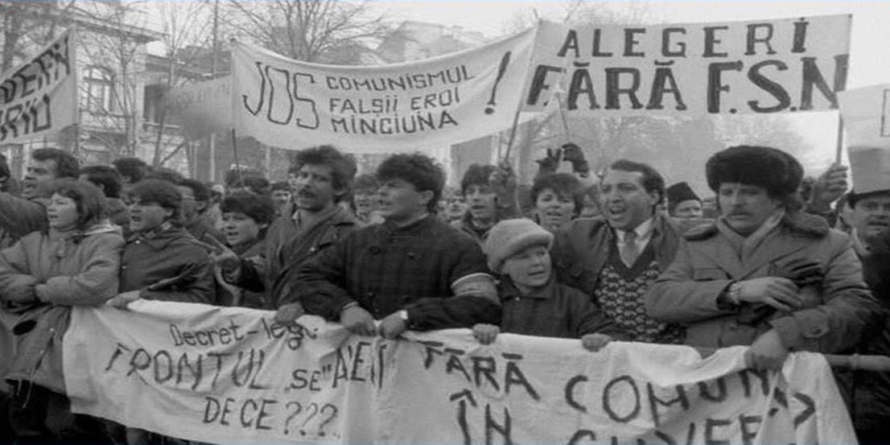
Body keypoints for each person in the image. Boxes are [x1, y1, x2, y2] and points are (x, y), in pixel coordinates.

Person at [645, 145, 882, 370]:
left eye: (749, 193)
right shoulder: (697, 243)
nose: (735, 202)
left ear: (779, 198)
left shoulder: (829, 243)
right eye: (727, 192)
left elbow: (857, 308)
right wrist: (734, 291)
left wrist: (787, 334)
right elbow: (659, 300)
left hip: (789, 382)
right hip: (704, 378)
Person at [294, 153, 501, 338]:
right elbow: (307, 277)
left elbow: (481, 304)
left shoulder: (456, 244)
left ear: (424, 197)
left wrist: (411, 316)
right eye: (382, 185)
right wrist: (344, 307)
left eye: (393, 186)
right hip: (360, 361)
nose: (381, 192)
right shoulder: (359, 240)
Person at [0, 179, 123, 443]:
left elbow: (96, 286)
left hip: (83, 341)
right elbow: (3, 272)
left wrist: (45, 290)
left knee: (72, 424)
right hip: (34, 340)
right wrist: (31, 289)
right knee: (24, 416)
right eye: (51, 202)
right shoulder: (33, 241)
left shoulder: (107, 242)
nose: (51, 207)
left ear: (83, 208)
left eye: (61, 202)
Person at [551, 159, 685, 344]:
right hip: (601, 352)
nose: (613, 197)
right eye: (606, 190)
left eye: (626, 188)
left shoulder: (686, 238)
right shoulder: (576, 236)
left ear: (653, 197)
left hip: (671, 355)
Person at [216, 145, 360, 314]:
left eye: (319, 178)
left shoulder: (351, 233)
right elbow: (269, 273)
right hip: (277, 323)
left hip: (319, 325)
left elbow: (352, 289)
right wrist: (238, 268)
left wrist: (306, 304)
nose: (306, 183)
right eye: (303, 175)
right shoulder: (279, 225)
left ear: (339, 188)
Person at [472, 218, 625, 349]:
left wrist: (603, 339)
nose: (537, 262)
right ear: (503, 267)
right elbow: (461, 336)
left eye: (542, 253)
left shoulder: (571, 301)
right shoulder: (489, 299)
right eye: (523, 257)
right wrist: (475, 332)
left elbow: (614, 335)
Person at [109, 179, 215, 306]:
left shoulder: (190, 250)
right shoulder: (127, 241)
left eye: (144, 204)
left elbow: (199, 299)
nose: (133, 209)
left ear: (168, 211)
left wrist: (143, 296)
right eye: (131, 203)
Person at [1, 148, 79, 242]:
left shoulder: (56, 211)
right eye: (29, 170)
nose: (28, 175)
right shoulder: (24, 197)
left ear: (64, 181)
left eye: (40, 172)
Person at [215, 191, 276, 308]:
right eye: (225, 219)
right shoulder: (221, 254)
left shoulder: (271, 256)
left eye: (239, 219)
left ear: (262, 222)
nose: (229, 225)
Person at [453, 162, 519, 244]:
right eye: (470, 192)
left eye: (484, 191)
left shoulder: (514, 231)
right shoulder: (453, 232)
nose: (476, 197)